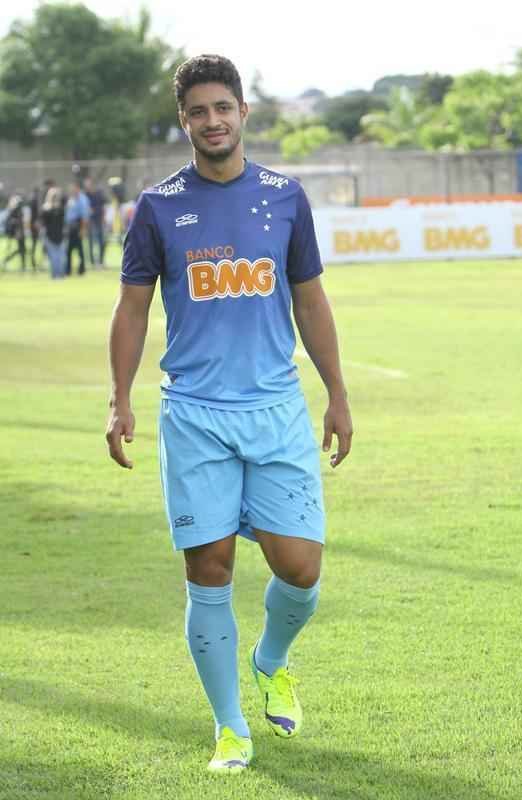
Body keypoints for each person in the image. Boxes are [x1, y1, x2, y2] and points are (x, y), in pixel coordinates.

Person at [106, 54, 353, 774]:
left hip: (275, 408)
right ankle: (230, 729)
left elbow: (310, 299)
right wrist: (120, 398)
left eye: (222, 107)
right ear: (183, 121)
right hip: (194, 414)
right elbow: (131, 307)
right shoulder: (157, 207)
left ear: (243, 112)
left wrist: (337, 394)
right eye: (197, 111)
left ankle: (270, 660)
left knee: (300, 568)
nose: (211, 121)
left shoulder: (285, 197)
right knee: (209, 569)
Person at [40, 187, 66, 279]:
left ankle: (60, 275)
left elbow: (63, 222)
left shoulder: (61, 209)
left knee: (61, 258)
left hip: (60, 236)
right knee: (54, 258)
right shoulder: (46, 210)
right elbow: (43, 223)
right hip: (50, 236)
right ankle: (55, 276)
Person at [65, 181, 90, 275]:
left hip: (78, 225)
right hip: (71, 226)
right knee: (70, 250)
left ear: (77, 188)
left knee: (79, 250)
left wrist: (82, 229)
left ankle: (81, 269)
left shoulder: (82, 199)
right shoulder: (72, 199)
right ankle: (68, 269)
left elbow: (84, 216)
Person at [84, 176, 107, 267]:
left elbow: (104, 207)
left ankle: (101, 261)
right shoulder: (85, 195)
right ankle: (93, 262)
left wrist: (103, 218)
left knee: (102, 242)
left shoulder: (99, 194)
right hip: (90, 222)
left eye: (88, 184)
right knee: (91, 242)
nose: (87, 186)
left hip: (99, 221)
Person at [3, 193, 26, 271]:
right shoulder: (14, 210)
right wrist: (17, 231)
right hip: (17, 232)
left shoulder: (17, 210)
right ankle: (8, 260)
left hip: (20, 231)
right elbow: (12, 221)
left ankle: (22, 265)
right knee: (21, 249)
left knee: (22, 249)